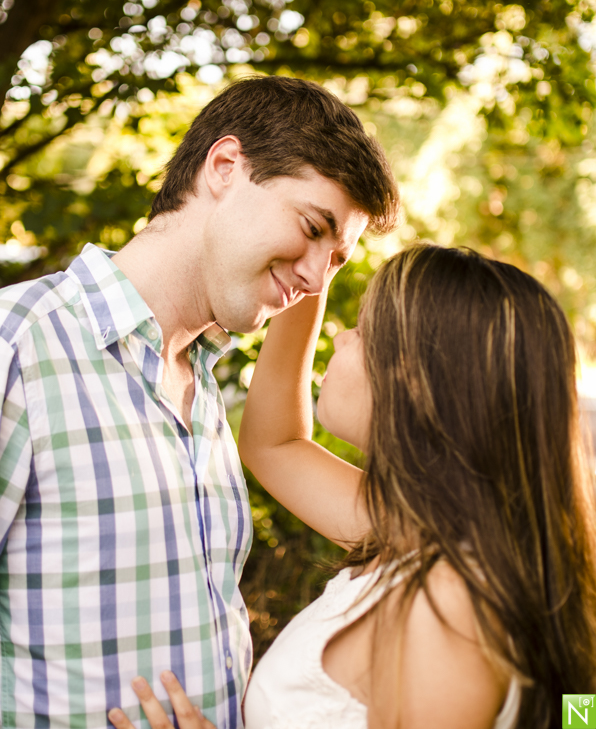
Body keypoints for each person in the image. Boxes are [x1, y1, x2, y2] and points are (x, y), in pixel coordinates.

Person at [0, 76, 398, 729]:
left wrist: (313, 252)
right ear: (224, 167)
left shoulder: (204, 387)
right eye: (311, 225)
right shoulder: (17, 345)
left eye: (338, 262)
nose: (316, 279)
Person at [114, 244, 596, 729]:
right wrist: (312, 258)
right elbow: (274, 444)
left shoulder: (447, 612)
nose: (343, 339)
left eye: (362, 332)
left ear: (416, 381)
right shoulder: (421, 531)